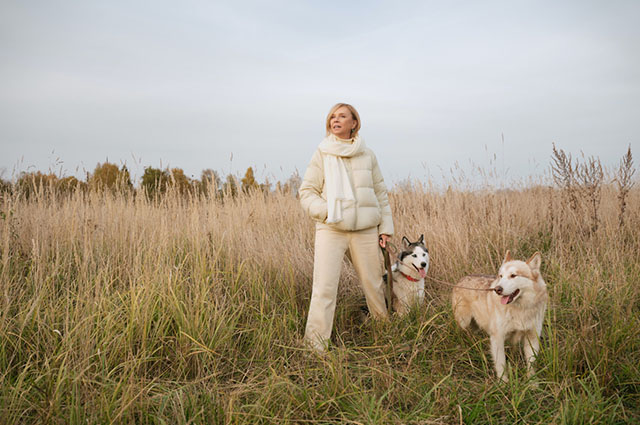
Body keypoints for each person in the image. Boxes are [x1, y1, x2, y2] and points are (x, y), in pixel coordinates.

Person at [299, 103, 394, 352]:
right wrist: (329, 211)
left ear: (354, 123)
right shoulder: (322, 152)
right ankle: (315, 348)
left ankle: (385, 338)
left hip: (365, 230)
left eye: (342, 116)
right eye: (332, 116)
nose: (335, 119)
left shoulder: (368, 154)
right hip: (331, 229)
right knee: (324, 288)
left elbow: (380, 193)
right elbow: (306, 192)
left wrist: (385, 228)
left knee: (374, 286)